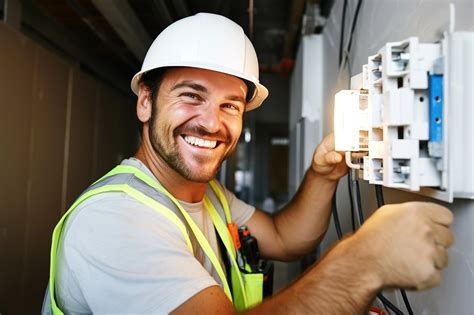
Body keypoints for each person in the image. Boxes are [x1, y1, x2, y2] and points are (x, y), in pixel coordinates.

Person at [44, 13, 454, 314]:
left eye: (230, 105)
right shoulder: (115, 219)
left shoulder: (208, 198)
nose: (211, 122)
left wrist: (323, 173)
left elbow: (285, 237)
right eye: (191, 95)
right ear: (146, 102)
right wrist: (364, 263)